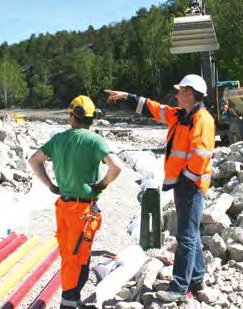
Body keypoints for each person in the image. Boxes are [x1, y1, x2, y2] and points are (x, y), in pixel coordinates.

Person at [105, 74, 215, 303]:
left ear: (190, 93)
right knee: (191, 233)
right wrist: (127, 97)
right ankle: (197, 279)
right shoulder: (180, 115)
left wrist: (185, 180)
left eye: (180, 91)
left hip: (191, 186)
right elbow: (153, 109)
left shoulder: (202, 120)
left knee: (185, 236)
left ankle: (179, 288)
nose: (176, 95)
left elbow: (201, 157)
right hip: (185, 184)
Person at [29, 95, 123, 309]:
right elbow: (116, 166)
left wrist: (51, 185)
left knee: (68, 254)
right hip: (85, 210)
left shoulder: (58, 140)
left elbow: (34, 160)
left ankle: (71, 300)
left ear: (73, 117)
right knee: (78, 257)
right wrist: (102, 184)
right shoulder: (94, 140)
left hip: (64, 206)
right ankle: (69, 302)